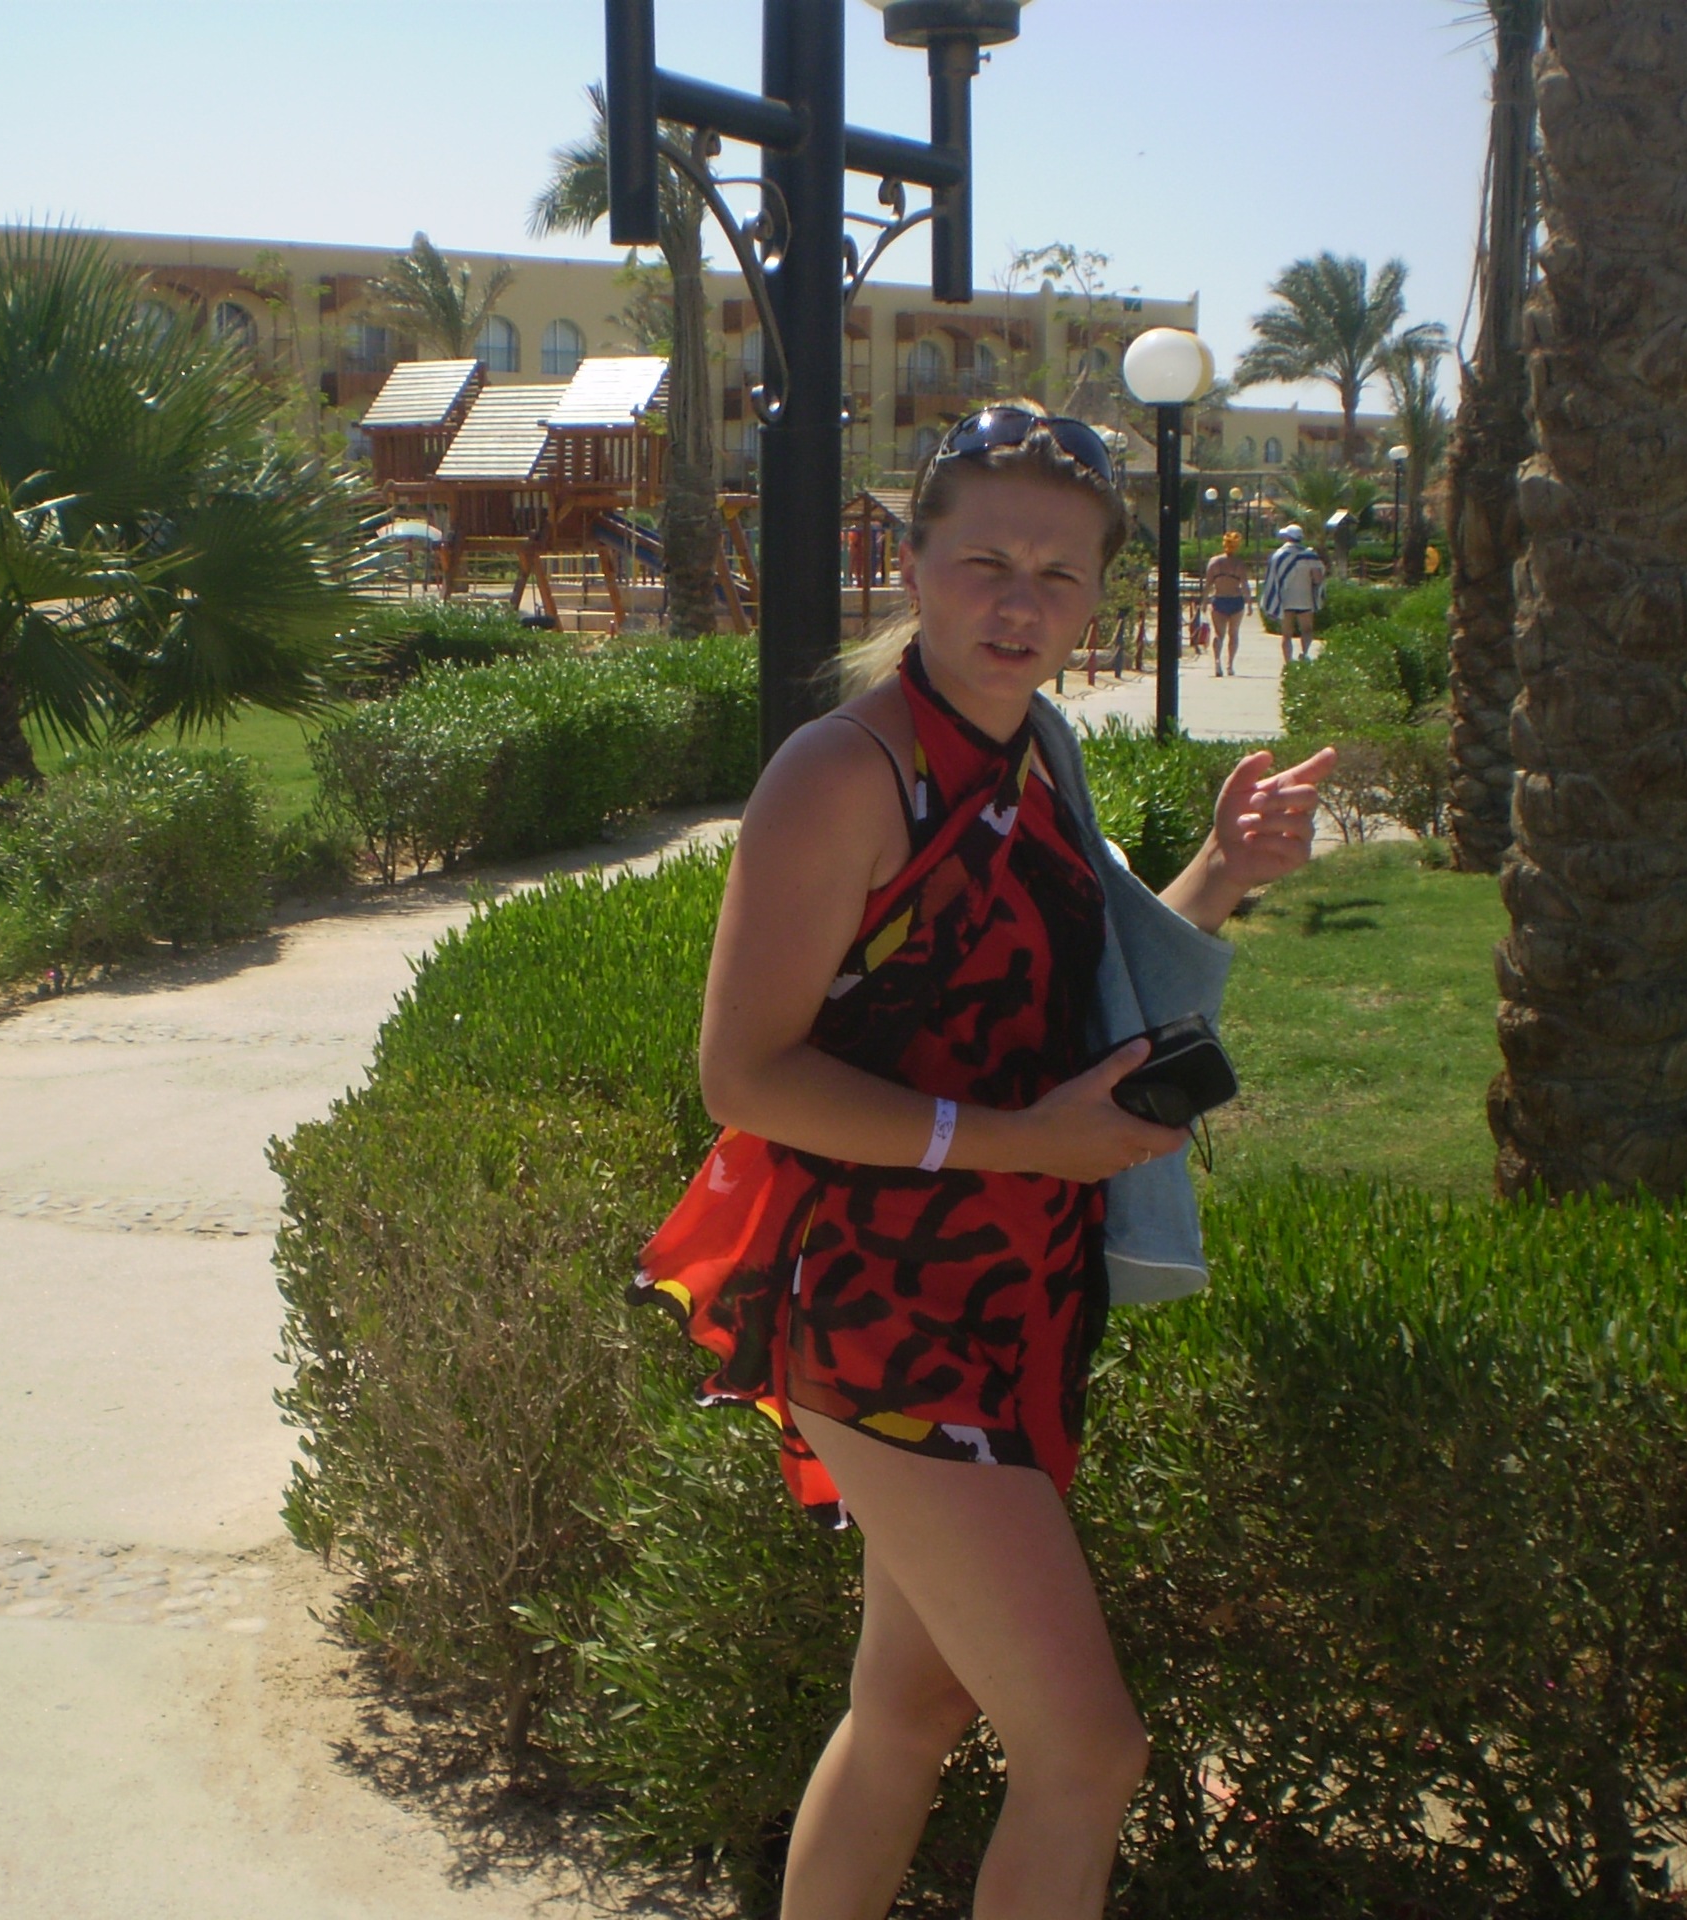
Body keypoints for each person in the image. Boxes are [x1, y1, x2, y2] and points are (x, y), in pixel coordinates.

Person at [636, 406, 1333, 1920]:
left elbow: (1061, 1001)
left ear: (1100, 599)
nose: (1021, 604)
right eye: (985, 564)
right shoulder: (843, 774)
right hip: (885, 1312)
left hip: (1017, 1292)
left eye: (1060, 575)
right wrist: (1020, 1144)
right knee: (1086, 1753)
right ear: (911, 565)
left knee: (911, 1707)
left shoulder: (1034, 756)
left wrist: (1221, 871)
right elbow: (743, 1075)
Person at [1260, 522, 1326, 663]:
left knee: (1287, 634)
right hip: (1305, 600)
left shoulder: (1279, 556)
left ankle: (1288, 661)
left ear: (1287, 537)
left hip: (1285, 600)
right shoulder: (1310, 556)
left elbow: (1273, 579)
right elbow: (1317, 579)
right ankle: (1304, 653)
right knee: (1307, 630)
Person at [1200, 530, 1251, 677]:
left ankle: (1217, 661)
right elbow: (1245, 585)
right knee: (1233, 634)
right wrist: (1249, 603)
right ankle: (1230, 665)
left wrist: (1204, 602)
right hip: (1236, 600)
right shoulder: (1239, 564)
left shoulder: (1214, 562)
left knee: (1219, 634)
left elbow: (1208, 584)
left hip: (1219, 599)